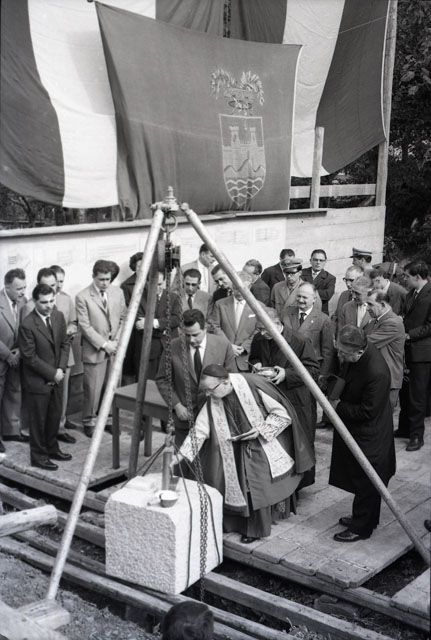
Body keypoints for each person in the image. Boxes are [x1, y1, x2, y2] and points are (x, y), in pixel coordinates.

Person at [175, 364, 314, 542]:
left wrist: (261, 430)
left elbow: (282, 414)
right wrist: (181, 455)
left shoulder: (253, 384)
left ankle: (256, 529)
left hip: (261, 444)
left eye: (210, 390)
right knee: (235, 484)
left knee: (260, 485)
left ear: (225, 382)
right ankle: (237, 525)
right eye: (205, 391)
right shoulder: (214, 396)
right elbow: (200, 430)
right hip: (233, 451)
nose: (208, 395)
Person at [330, 325, 396, 542]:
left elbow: (368, 411)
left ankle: (361, 527)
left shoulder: (376, 372)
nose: (340, 356)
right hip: (359, 428)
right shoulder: (357, 355)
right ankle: (364, 518)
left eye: (344, 353)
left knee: (368, 479)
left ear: (359, 351)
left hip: (371, 433)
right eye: (339, 350)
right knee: (360, 478)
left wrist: (338, 406)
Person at [249, 307, 319, 487]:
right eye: (259, 329)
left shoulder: (299, 340)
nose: (261, 333)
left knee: (299, 442)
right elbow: (255, 357)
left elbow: (313, 370)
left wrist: (286, 374)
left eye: (264, 329)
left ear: (277, 323)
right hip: (270, 398)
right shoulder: (259, 339)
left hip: (296, 398)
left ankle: (300, 484)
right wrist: (257, 364)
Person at [156, 309, 236, 446]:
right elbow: (162, 380)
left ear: (205, 328)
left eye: (195, 335)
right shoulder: (172, 347)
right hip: (185, 420)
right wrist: (177, 405)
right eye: (186, 335)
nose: (191, 340)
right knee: (184, 457)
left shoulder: (223, 345)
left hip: (215, 418)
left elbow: (232, 378)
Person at [19, 284, 71, 470]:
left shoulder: (58, 316)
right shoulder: (27, 325)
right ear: (35, 301)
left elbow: (65, 344)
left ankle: (52, 449)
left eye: (51, 301)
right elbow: (30, 357)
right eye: (44, 302)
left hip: (57, 377)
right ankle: (38, 457)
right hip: (38, 382)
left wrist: (61, 369)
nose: (49, 305)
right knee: (39, 422)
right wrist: (53, 373)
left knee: (54, 417)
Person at [75, 260, 127, 437]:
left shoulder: (117, 292)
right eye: (101, 279)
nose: (105, 283)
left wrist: (116, 341)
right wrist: (105, 345)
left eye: (108, 279)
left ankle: (109, 419)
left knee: (112, 386)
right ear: (93, 277)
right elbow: (85, 326)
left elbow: (124, 317)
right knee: (92, 388)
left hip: (115, 348)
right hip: (95, 350)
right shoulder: (82, 297)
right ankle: (89, 421)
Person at [396, 261, 431, 451]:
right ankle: (404, 428)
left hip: (421, 353)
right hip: (406, 350)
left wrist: (409, 335)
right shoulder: (410, 293)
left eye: (407, 276)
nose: (404, 279)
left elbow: (430, 326)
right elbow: (406, 314)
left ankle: (417, 435)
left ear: (417, 277)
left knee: (417, 396)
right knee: (404, 392)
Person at [133, 271, 182, 379]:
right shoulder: (138, 299)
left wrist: (154, 323)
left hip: (169, 348)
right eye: (154, 284)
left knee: (167, 382)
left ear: (164, 282)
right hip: (148, 350)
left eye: (160, 284)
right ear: (147, 282)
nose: (157, 287)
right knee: (147, 382)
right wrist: (165, 329)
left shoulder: (173, 297)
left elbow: (177, 319)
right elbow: (139, 325)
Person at [0, 268, 27, 452]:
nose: (23, 292)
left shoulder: (23, 301)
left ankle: (11, 430)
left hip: (16, 357)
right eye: (19, 289)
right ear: (7, 287)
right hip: (3, 358)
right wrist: (7, 355)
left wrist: (19, 351)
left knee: (14, 392)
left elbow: (26, 329)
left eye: (24, 287)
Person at [207, 271, 257, 371]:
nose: (239, 292)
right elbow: (215, 326)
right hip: (224, 358)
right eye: (236, 288)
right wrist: (228, 346)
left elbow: (258, 330)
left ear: (250, 287)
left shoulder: (258, 307)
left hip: (246, 359)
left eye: (243, 289)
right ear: (232, 286)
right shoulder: (220, 304)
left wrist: (244, 347)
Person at [365, 291, 406, 410]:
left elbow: (366, 342)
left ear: (382, 305)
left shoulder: (392, 323)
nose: (367, 308)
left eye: (370, 304)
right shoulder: (375, 320)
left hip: (387, 380)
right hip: (377, 378)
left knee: (382, 417)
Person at [120, 252, 143, 384]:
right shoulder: (126, 285)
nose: (143, 269)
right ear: (134, 267)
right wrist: (141, 321)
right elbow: (128, 309)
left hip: (151, 327)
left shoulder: (155, 281)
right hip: (134, 331)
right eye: (139, 266)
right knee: (131, 363)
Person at [331, 265, 364, 336]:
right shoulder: (344, 295)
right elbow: (336, 317)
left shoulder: (369, 300)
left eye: (351, 280)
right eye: (346, 280)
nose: (348, 284)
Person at [301, 249, 336, 316]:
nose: (318, 262)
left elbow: (327, 295)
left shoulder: (330, 278)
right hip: (302, 310)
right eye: (315, 260)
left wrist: (306, 292)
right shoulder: (301, 273)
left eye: (321, 260)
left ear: (325, 261)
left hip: (320, 312)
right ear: (310, 261)